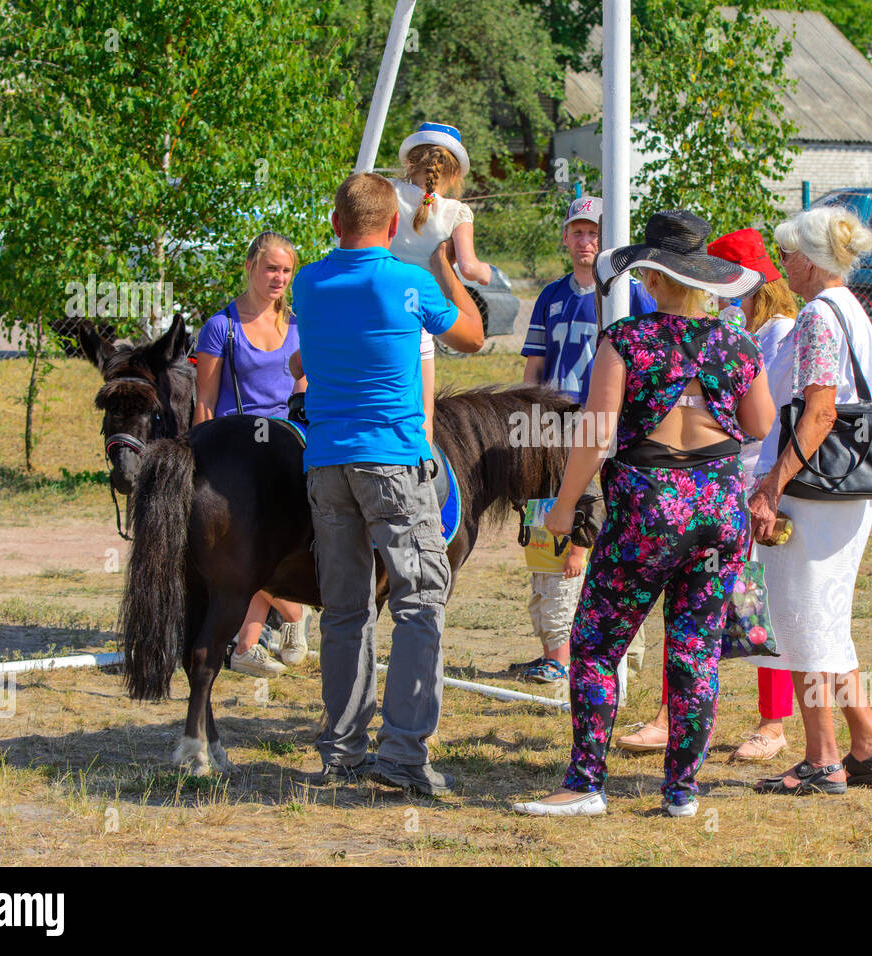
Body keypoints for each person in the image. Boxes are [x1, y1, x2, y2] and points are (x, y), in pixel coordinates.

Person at [512, 210, 775, 818]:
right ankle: (681, 792)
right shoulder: (735, 340)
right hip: (719, 508)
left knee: (597, 644)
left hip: (646, 512)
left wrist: (564, 505)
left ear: (651, 277)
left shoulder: (626, 340)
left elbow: (596, 433)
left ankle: (585, 785)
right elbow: (760, 424)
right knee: (695, 651)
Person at [293, 173, 484, 795]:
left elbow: (303, 360)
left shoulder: (309, 282)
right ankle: (402, 755)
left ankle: (343, 752)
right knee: (420, 602)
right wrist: (441, 259)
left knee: (345, 611)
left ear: (333, 224)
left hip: (326, 463)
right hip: (395, 462)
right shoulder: (409, 282)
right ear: (394, 227)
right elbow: (473, 335)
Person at [615, 228, 800, 763]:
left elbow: (771, 420)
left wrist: (768, 488)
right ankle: (673, 718)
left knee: (758, 605)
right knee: (704, 609)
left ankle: (773, 723)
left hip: (752, 483)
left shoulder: (774, 333)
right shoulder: (735, 329)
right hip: (721, 486)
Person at [748, 205, 872, 795]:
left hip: (813, 487)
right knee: (827, 619)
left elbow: (819, 411)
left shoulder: (815, 316)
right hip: (851, 486)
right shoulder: (856, 311)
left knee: (802, 623)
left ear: (811, 262)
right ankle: (868, 746)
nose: (782, 263)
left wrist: (773, 483)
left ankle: (822, 758)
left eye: (788, 253)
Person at [515, 195, 657, 686]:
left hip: (610, 426)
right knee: (548, 518)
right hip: (554, 425)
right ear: (564, 237)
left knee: (606, 526)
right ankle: (555, 647)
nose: (585, 241)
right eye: (577, 231)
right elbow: (534, 365)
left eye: (594, 232)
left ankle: (619, 645)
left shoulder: (633, 295)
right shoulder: (551, 296)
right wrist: (529, 418)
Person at [194, 231, 310, 678]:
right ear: (250, 268)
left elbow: (303, 394)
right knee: (253, 542)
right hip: (236, 450)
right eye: (270, 268)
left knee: (283, 538)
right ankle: (294, 615)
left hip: (287, 445)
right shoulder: (220, 327)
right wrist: (199, 461)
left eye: (286, 270)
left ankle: (247, 643)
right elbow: (204, 401)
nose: (279, 277)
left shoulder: (299, 325)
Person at [390, 122, 491, 451]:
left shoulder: (387, 192)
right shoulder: (456, 212)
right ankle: (422, 467)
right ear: (456, 173)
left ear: (410, 163)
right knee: (423, 415)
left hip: (377, 308)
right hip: (418, 319)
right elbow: (469, 267)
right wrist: (486, 272)